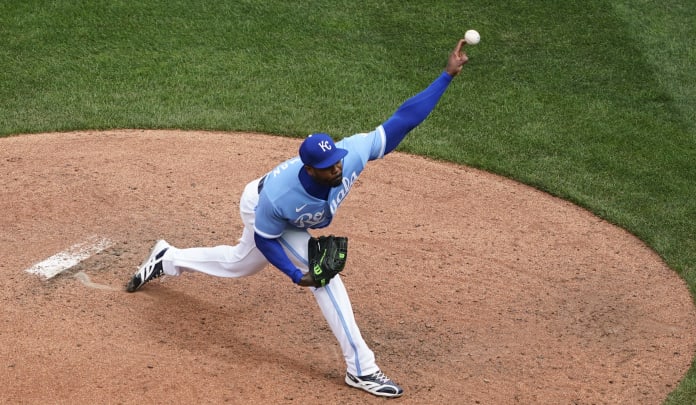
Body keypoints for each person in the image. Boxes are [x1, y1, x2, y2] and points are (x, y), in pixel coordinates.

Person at [125, 38, 469, 398]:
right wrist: (295, 275)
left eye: (336, 160)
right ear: (310, 169)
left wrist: (445, 76)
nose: (336, 168)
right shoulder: (282, 197)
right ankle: (362, 369)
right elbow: (265, 238)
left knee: (239, 264)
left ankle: (168, 257)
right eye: (326, 167)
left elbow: (402, 120)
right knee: (324, 275)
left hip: (290, 217)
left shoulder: (349, 154)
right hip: (262, 209)